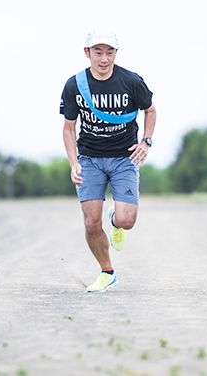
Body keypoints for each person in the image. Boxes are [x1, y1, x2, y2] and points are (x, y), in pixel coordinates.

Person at [61, 29, 156, 293]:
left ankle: (116, 219)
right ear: (87, 53)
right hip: (89, 159)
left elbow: (150, 111)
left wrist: (146, 141)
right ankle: (107, 272)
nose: (104, 58)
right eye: (98, 52)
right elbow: (69, 127)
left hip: (124, 158)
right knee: (91, 222)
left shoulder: (131, 81)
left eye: (110, 52)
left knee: (127, 221)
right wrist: (74, 162)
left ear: (116, 52)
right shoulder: (74, 85)